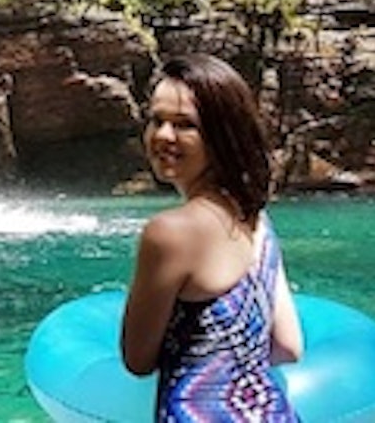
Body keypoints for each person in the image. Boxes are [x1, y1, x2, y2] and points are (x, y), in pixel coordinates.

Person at [121, 53, 304, 422]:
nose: (163, 135)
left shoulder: (169, 232)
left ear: (221, 135)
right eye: (156, 120)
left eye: (185, 125)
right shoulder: (257, 220)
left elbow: (137, 360)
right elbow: (288, 346)